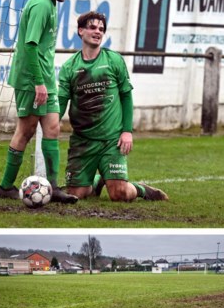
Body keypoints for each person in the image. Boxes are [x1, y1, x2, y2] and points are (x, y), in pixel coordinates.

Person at [57, 11, 168, 202]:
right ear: (80, 31)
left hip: (111, 140)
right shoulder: (69, 67)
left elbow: (126, 96)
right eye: (92, 27)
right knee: (75, 195)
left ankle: (142, 190)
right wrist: (54, 122)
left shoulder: (114, 60)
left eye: (101, 29)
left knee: (119, 194)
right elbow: (61, 101)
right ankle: (99, 179)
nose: (98, 31)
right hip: (83, 141)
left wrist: (127, 131)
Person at [0, 0, 78, 204]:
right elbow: (30, 46)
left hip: (46, 80)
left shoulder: (52, 2)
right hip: (31, 80)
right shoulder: (41, 4)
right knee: (26, 130)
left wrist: (45, 81)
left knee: (53, 128)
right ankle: (5, 187)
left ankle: (54, 187)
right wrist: (38, 82)